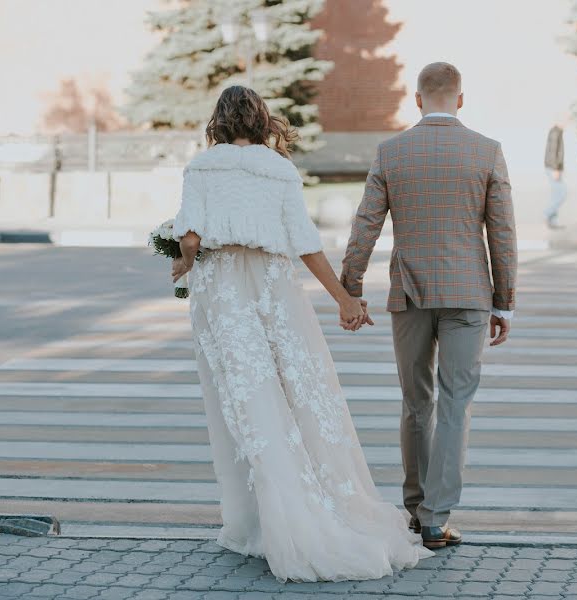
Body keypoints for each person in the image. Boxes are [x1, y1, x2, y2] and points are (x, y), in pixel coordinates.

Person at [169, 86, 431, 582]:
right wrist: (345, 300)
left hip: (226, 296)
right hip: (275, 293)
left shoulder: (202, 168)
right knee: (298, 397)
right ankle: (310, 512)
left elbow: (191, 235)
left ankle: (265, 524)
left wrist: (182, 263)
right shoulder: (279, 169)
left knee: (248, 407)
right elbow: (305, 244)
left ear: (219, 121)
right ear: (262, 120)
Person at [340, 63, 517, 549]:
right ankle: (436, 517)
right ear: (461, 99)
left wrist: (350, 288)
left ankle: (416, 509)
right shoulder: (486, 151)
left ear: (417, 100)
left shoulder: (392, 152)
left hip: (411, 295)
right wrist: (505, 302)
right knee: (455, 405)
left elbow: (365, 226)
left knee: (417, 402)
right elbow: (501, 233)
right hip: (468, 296)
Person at [544, 117, 567, 228]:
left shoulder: (558, 132)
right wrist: (555, 169)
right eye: (565, 120)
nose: (567, 122)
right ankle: (547, 213)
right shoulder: (555, 133)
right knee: (562, 193)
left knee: (556, 194)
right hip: (553, 168)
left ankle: (553, 221)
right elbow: (553, 151)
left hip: (554, 168)